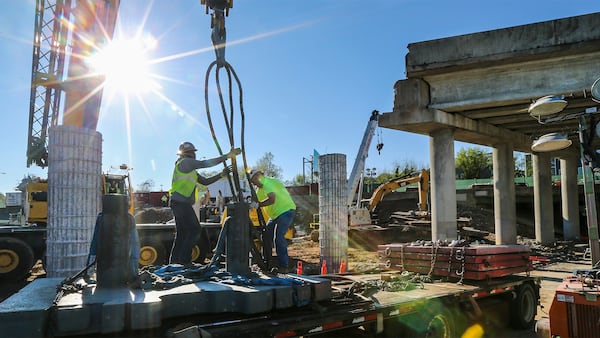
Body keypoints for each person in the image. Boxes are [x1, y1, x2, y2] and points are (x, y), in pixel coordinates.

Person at [169, 141, 240, 265]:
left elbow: (205, 182)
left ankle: (174, 263)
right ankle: (184, 262)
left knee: (182, 234)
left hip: (179, 202)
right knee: (194, 229)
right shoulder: (185, 162)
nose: (193, 155)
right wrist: (227, 155)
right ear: (189, 154)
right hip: (181, 202)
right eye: (192, 152)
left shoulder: (189, 169)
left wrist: (221, 174)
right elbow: (204, 164)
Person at [249, 169, 296, 272]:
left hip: (285, 210)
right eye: (253, 181)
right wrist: (250, 204)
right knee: (265, 236)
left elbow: (272, 199)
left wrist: (258, 204)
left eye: (256, 178)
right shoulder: (259, 190)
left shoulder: (269, 182)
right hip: (275, 215)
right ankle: (266, 262)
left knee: (278, 237)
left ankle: (284, 266)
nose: (255, 182)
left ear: (261, 176)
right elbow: (255, 201)